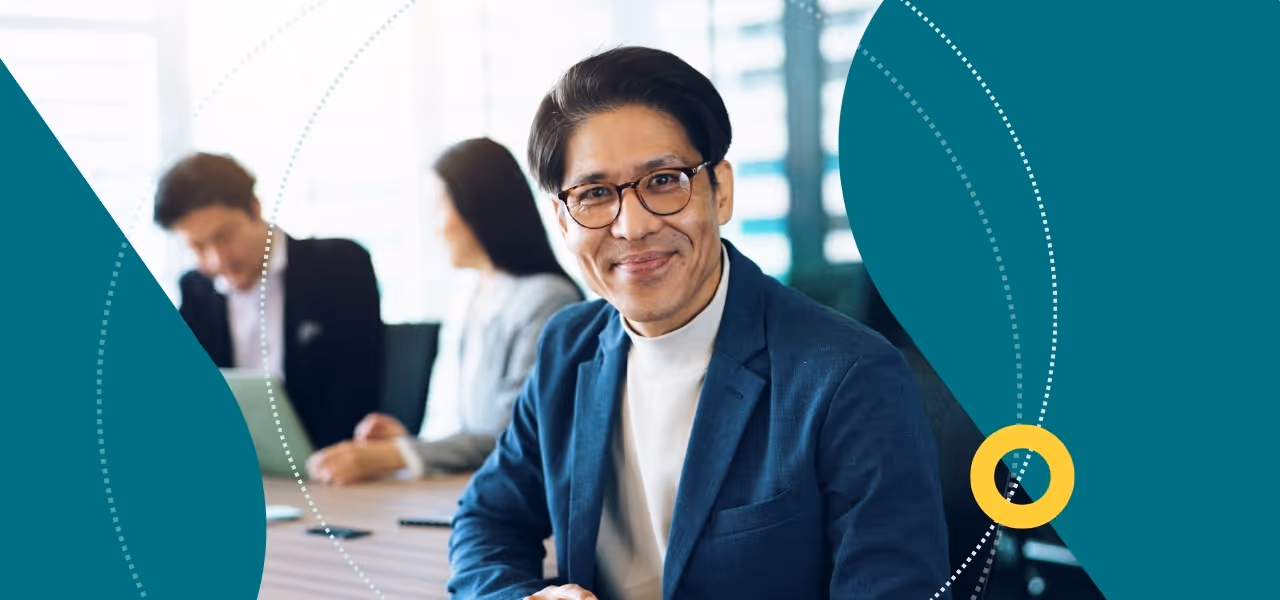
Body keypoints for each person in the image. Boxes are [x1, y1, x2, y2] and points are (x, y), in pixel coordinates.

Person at [446, 47, 951, 600]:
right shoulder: (568, 348)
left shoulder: (848, 377)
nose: (632, 227)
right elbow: (486, 521)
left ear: (721, 190)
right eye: (594, 194)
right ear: (562, 221)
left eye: (663, 181)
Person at [306, 138, 584, 485]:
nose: (434, 227)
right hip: (456, 491)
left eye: (439, 208)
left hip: (514, 498)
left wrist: (396, 456)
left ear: (476, 209)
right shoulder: (467, 298)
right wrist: (407, 443)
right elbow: (462, 432)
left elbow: (515, 436)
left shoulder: (547, 299)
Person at [155, 152, 383, 450]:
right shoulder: (196, 289)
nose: (218, 259)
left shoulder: (340, 266)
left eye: (224, 236)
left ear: (254, 208)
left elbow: (356, 393)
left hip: (333, 466)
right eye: (198, 247)